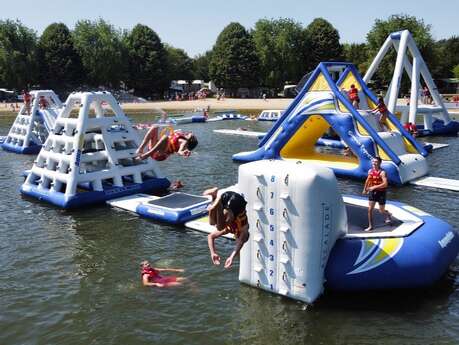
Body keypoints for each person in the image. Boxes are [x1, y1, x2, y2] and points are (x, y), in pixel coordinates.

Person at [204, 187, 249, 269]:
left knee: (212, 223)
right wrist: (231, 257)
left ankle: (215, 198)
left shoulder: (229, 229)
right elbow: (240, 243)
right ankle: (217, 203)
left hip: (226, 198)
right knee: (219, 226)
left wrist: (213, 253)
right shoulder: (243, 230)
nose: (237, 240)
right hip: (237, 203)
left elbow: (210, 236)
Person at [362, 157, 392, 231]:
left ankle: (388, 214)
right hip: (373, 192)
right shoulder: (370, 171)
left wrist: (374, 187)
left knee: (381, 211)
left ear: (379, 163)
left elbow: (385, 184)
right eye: (373, 162)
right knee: (370, 209)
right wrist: (365, 189)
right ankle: (370, 226)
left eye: (376, 162)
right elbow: (368, 180)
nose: (374, 163)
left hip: (381, 192)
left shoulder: (382, 172)